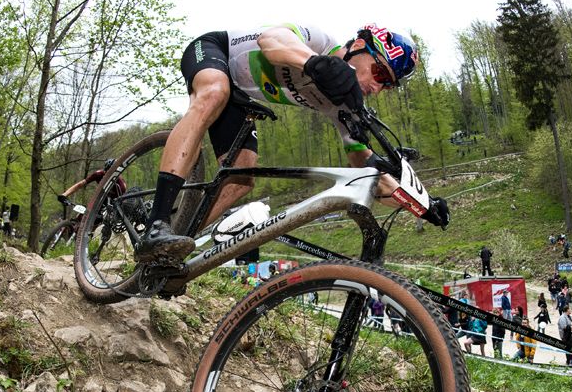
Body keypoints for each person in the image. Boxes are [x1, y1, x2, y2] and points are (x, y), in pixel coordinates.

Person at [135, 23, 448, 264]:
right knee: (215, 92)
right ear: (360, 45)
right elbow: (271, 41)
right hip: (214, 52)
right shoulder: (321, 42)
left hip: (241, 100)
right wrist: (315, 64)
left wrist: (421, 205)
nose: (377, 86)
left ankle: (173, 243)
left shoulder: (344, 105)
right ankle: (157, 222)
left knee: (241, 179)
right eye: (379, 72)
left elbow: (365, 165)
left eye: (387, 84)